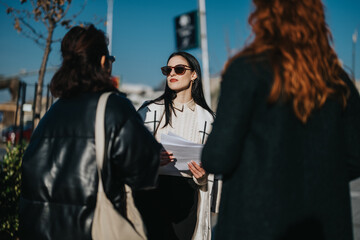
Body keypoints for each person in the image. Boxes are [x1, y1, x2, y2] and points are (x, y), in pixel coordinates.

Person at [201, 0, 360, 239]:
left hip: (255, 222)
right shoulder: (338, 82)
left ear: (263, 17)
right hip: (322, 225)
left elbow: (217, 158)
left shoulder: (247, 70)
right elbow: (356, 157)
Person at [19, 25, 161, 239]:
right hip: (91, 230)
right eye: (110, 59)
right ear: (104, 62)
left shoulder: (52, 113)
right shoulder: (114, 106)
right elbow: (143, 174)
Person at [135, 51, 217, 240]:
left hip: (188, 195)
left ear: (193, 74)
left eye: (179, 69)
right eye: (167, 70)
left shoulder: (209, 119)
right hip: (153, 192)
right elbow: (131, 152)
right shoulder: (149, 110)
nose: (171, 74)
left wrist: (203, 177)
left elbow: (215, 167)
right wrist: (153, 159)